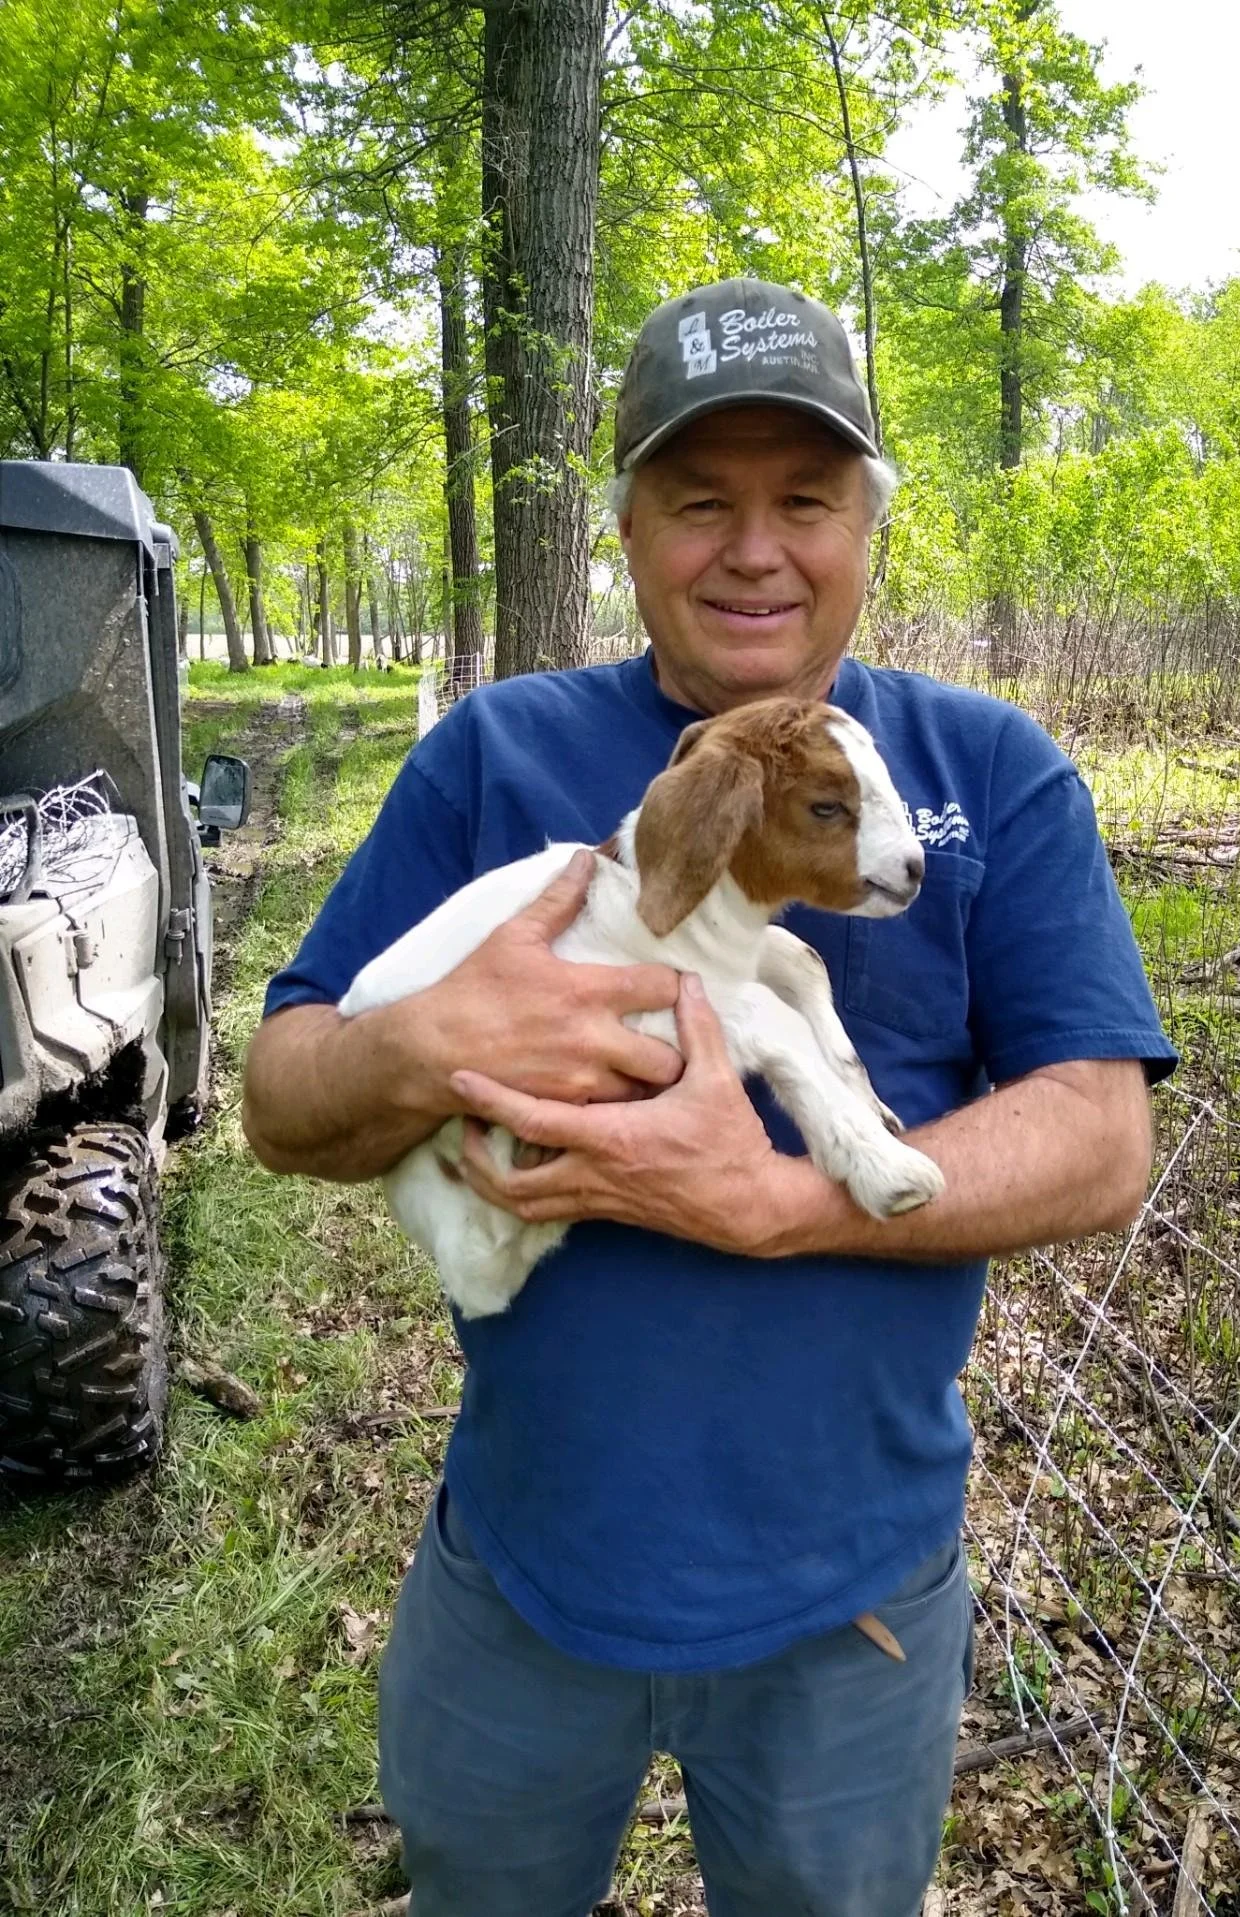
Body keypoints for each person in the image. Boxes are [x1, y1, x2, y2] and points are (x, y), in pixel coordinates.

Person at [243, 278, 1178, 1917]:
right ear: (629, 534)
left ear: (865, 530)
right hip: (523, 1568)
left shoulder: (986, 771)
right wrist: (430, 1044)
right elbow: (277, 1101)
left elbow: (1100, 1141)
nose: (755, 548)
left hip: (855, 1599)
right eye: (700, 502)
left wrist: (773, 1202)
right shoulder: (494, 752)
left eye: (804, 499)